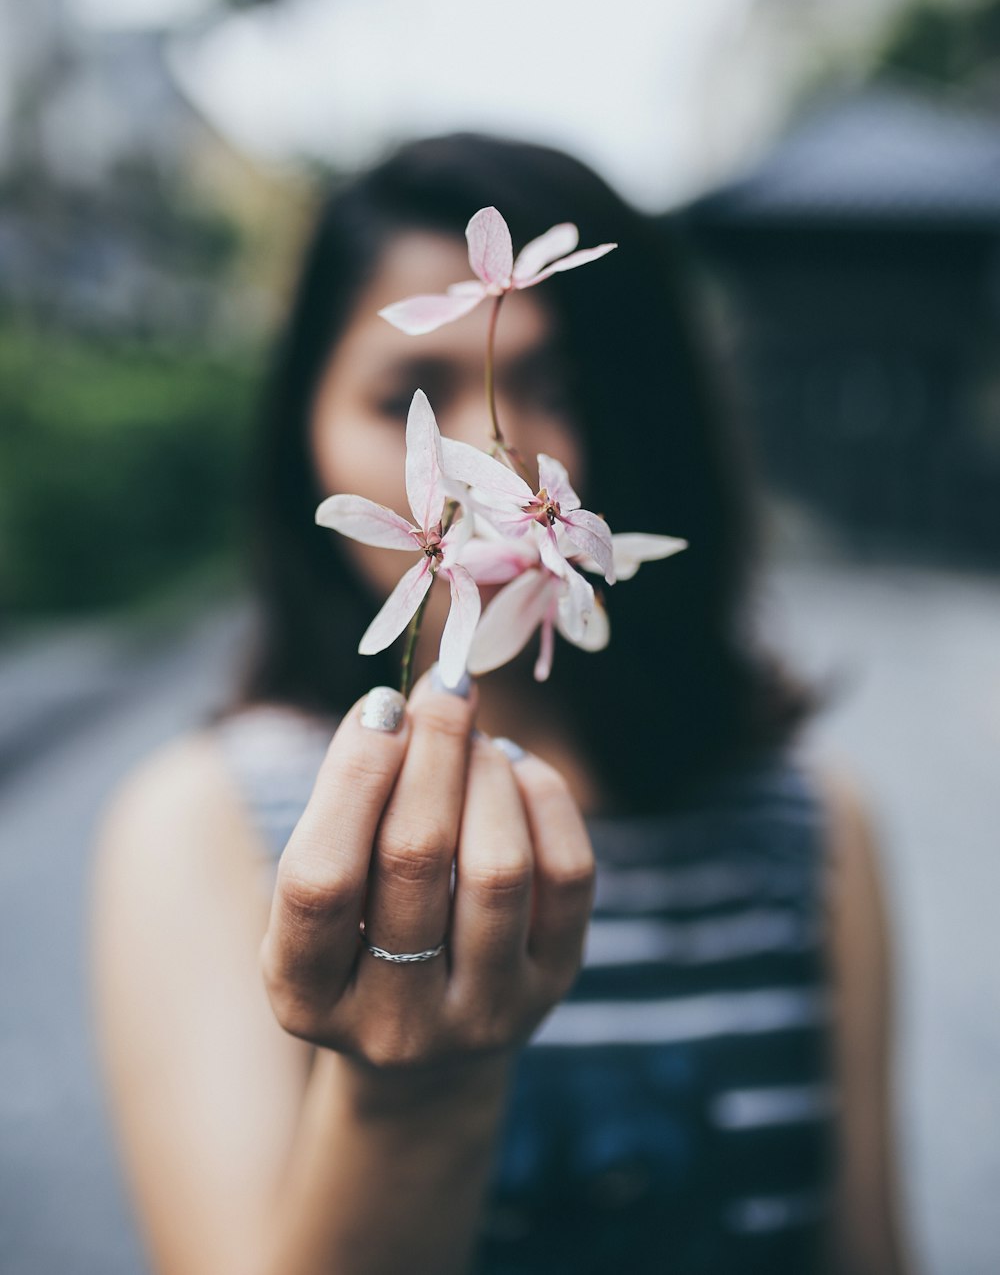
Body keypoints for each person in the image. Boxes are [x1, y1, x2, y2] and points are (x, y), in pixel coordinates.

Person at [89, 131, 916, 1274]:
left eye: (568, 386)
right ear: (304, 439)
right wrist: (406, 1099)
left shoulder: (814, 832)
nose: (512, 468)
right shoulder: (199, 831)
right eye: (403, 396)